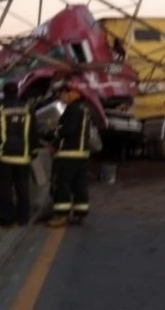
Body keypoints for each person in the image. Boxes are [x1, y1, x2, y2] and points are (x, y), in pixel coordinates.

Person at [0, 82, 40, 227]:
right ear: (17, 92)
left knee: (4, 188)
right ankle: (23, 217)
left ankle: (6, 218)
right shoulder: (28, 108)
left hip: (3, 157)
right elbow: (34, 131)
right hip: (23, 156)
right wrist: (34, 150)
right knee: (22, 187)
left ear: (4, 93)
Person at [47, 80, 92, 227]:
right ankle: (80, 213)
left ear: (71, 93)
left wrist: (55, 134)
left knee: (62, 185)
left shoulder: (72, 109)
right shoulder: (85, 108)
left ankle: (61, 215)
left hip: (68, 153)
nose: (61, 97)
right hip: (82, 154)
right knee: (80, 185)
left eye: (62, 94)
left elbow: (68, 130)